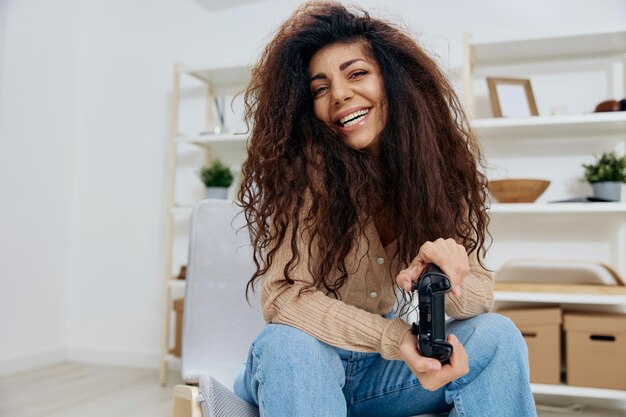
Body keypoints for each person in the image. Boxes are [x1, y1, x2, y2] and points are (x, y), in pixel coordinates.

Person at [234, 2, 536, 416]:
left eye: (356, 73)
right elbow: (283, 298)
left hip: (384, 376)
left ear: (394, 81)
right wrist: (394, 338)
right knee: (288, 344)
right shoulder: (304, 175)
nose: (339, 94)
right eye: (319, 88)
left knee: (497, 335)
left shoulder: (439, 175)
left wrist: (450, 278)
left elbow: (482, 294)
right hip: (303, 366)